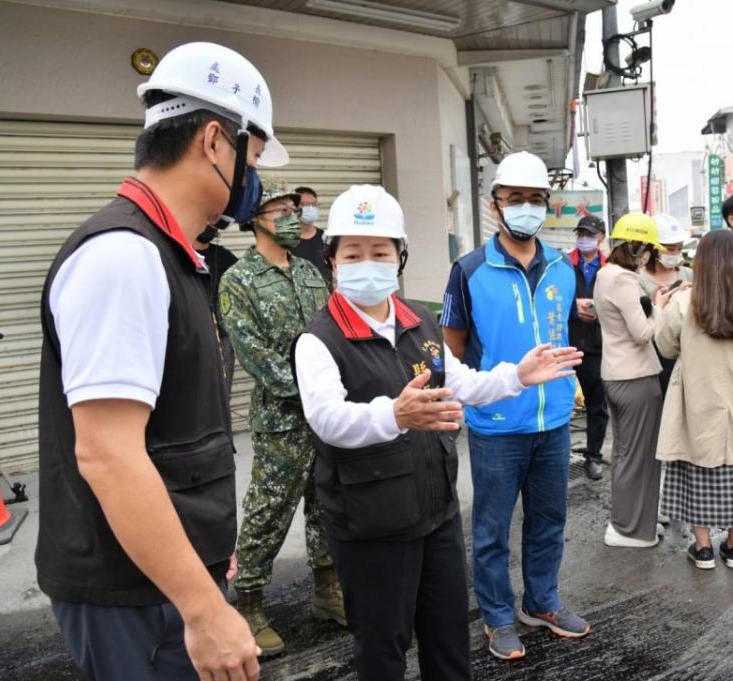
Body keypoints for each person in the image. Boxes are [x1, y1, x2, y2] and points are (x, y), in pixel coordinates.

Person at [35, 41, 290, 681]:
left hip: (166, 578)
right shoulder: (123, 257)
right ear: (213, 141)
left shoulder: (175, 257)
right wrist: (203, 609)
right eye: (252, 157)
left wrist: (208, 553)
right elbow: (108, 455)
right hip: (137, 595)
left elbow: (175, 435)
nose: (255, 180)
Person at [292, 184, 583, 680]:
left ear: (400, 257)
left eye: (380, 252)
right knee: (383, 651)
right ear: (333, 260)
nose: (368, 262)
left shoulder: (419, 322)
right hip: (371, 526)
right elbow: (328, 420)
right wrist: (396, 416)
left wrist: (516, 375)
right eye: (354, 252)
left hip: (436, 515)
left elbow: (462, 382)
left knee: (449, 644)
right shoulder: (319, 340)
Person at [440, 151, 590, 661]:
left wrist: (575, 389)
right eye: (515, 199)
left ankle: (542, 603)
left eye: (535, 199)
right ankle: (498, 617)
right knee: (491, 530)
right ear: (495, 205)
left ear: (546, 204)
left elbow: (563, 331)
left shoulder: (563, 268)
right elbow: (452, 347)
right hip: (497, 423)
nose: (526, 208)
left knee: (549, 521)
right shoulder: (469, 270)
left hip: (553, 421)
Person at [219, 179, 342, 656]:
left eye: (297, 210)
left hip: (324, 417)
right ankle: (248, 603)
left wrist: (334, 389)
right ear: (256, 218)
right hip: (281, 422)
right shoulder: (238, 281)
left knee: (326, 505)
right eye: (282, 211)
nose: (294, 218)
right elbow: (255, 356)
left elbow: (332, 335)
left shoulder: (313, 275)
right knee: (268, 511)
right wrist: (309, 391)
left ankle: (328, 591)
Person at [655, 230, 733, 569]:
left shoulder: (684, 302)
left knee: (697, 469)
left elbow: (665, 347)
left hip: (698, 398)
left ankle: (703, 547)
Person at [594, 211, 681, 549]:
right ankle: (628, 528)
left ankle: (633, 520)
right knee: (638, 456)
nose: (650, 255)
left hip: (615, 375)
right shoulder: (625, 280)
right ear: (636, 248)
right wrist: (659, 306)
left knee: (628, 454)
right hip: (635, 376)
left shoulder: (605, 274)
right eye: (647, 249)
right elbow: (644, 333)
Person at [569, 215, 609, 481]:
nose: (584, 239)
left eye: (590, 234)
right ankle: (557, 455)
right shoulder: (562, 263)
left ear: (601, 238)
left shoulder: (610, 267)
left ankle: (593, 456)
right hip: (566, 341)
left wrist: (599, 310)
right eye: (581, 233)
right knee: (560, 402)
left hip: (597, 344)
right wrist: (575, 308)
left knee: (597, 405)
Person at [639, 213, 693, 396]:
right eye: (670, 248)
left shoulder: (688, 274)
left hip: (687, 351)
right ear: (653, 249)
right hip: (653, 354)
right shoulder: (638, 278)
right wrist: (659, 301)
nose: (675, 253)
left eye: (679, 248)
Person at [194, 229, 239, 406]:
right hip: (189, 336)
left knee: (220, 399)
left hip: (221, 340)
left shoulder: (225, 258)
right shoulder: (178, 253)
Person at [291, 185, 333, 288]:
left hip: (325, 299)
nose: (310, 208)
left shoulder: (327, 238)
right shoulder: (286, 240)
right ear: (294, 208)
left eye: (313, 204)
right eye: (304, 204)